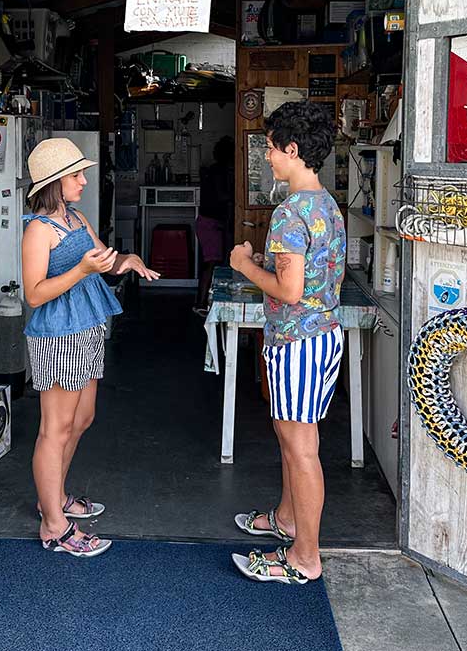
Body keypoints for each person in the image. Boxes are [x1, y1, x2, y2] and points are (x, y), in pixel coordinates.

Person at [21, 137, 160, 558]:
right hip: (58, 334)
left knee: (82, 418)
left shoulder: (77, 219)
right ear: (54, 182)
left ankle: (55, 497)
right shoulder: (37, 230)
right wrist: (82, 269)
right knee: (55, 428)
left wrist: (127, 260)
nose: (84, 180)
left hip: (88, 326)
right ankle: (54, 525)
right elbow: (34, 294)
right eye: (75, 175)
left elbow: (103, 258)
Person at [226, 101, 345, 585]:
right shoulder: (327, 204)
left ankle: (304, 557)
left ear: (292, 150)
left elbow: (289, 290)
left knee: (300, 449)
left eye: (272, 148)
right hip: (321, 339)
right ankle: (288, 519)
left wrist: (244, 265)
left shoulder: (289, 212)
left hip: (298, 343)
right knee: (294, 440)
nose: (268, 156)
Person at [194, 135, 235, 313]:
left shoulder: (214, 170)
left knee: (212, 264)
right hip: (211, 224)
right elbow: (221, 196)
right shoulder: (220, 172)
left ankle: (205, 303)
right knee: (212, 264)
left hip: (207, 222)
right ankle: (201, 304)